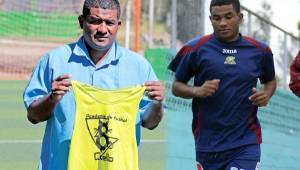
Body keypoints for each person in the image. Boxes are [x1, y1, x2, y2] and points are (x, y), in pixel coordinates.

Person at [23, 0, 164, 169]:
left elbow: (150, 123)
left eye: (109, 23)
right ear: (82, 22)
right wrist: (52, 98)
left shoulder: (139, 66)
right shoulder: (54, 61)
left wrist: (157, 103)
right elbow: (33, 116)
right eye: (95, 21)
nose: (103, 29)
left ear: (118, 25)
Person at [168, 0, 276, 169]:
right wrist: (198, 91)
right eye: (217, 18)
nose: (223, 23)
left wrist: (266, 94)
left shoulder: (260, 51)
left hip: (245, 142)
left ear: (240, 17)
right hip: (207, 144)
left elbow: (270, 80)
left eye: (228, 17)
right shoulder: (195, 49)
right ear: (210, 19)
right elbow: (176, 87)